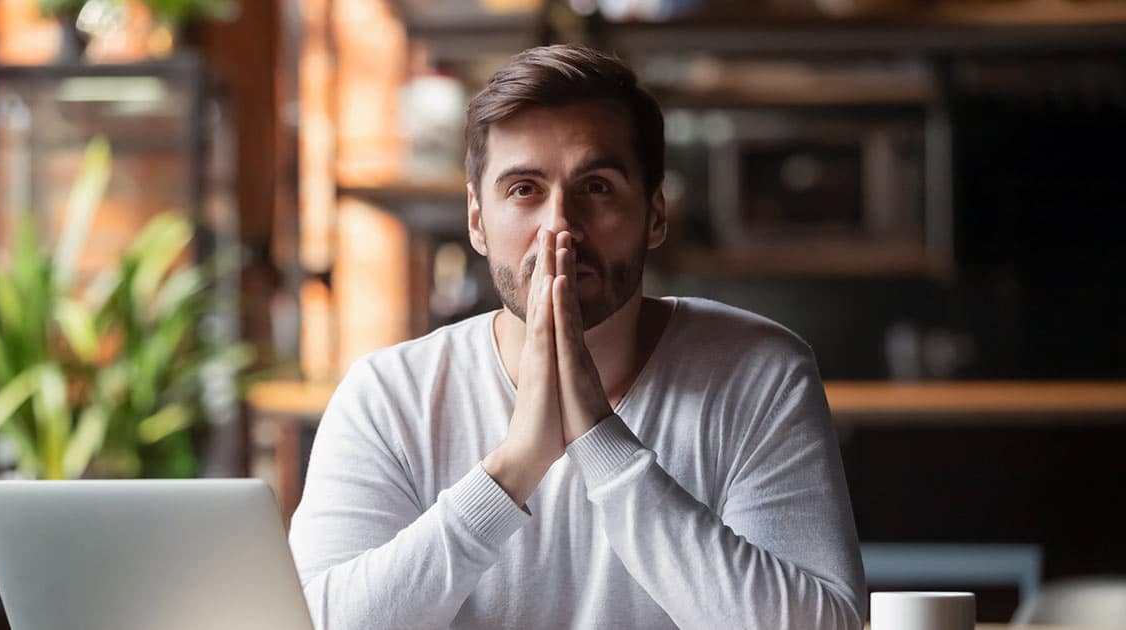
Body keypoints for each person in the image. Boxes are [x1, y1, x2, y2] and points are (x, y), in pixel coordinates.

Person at [288, 44, 866, 629]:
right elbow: (314, 623)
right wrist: (515, 466)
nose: (559, 224)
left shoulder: (761, 372)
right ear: (476, 220)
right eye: (523, 189)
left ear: (656, 213)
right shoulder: (388, 395)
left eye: (596, 187)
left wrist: (600, 440)